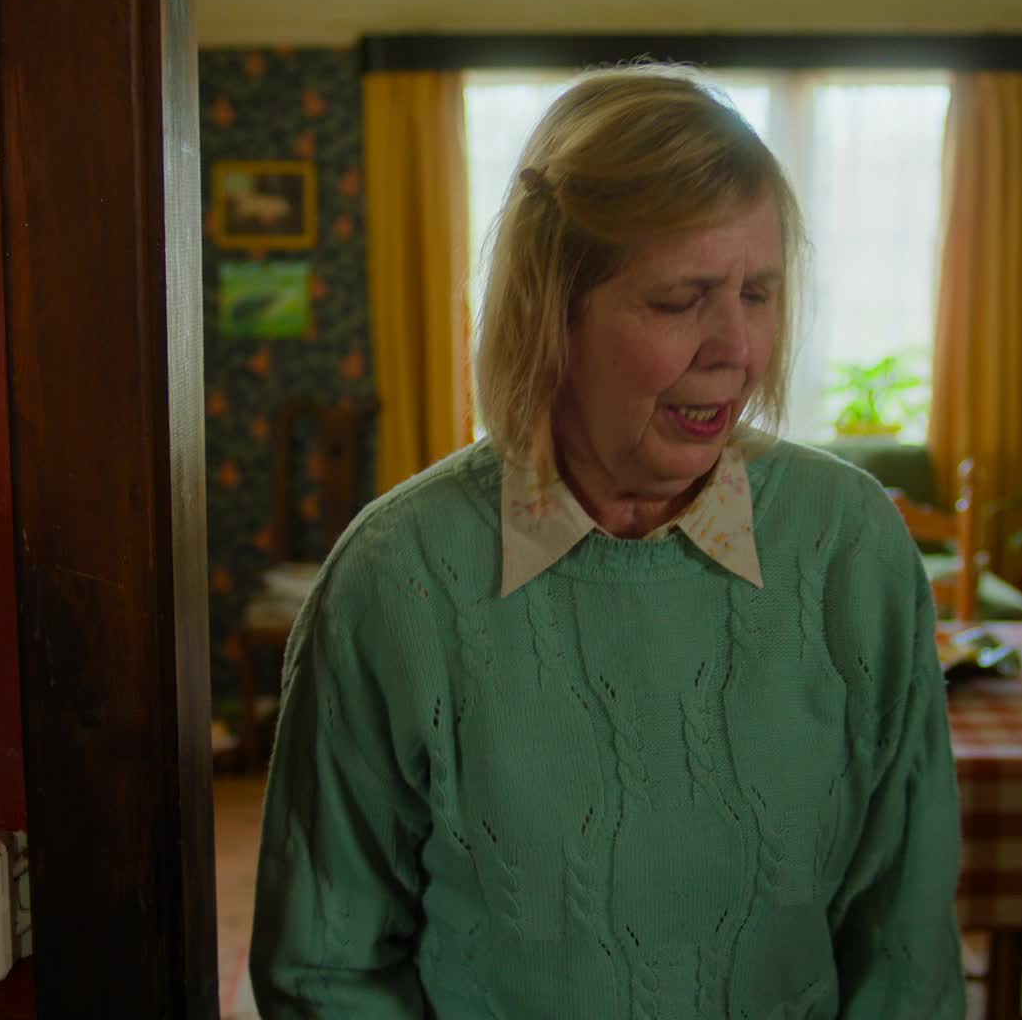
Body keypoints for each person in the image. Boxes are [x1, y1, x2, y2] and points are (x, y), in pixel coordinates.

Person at [250, 66, 963, 1017]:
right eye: (681, 299)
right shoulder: (396, 578)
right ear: (552, 313)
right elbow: (326, 969)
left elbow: (906, 947)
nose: (738, 349)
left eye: (758, 293)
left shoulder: (852, 547)